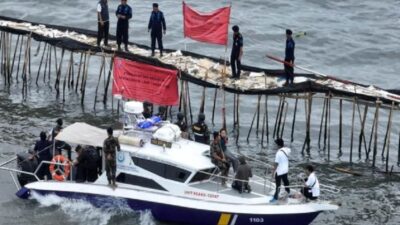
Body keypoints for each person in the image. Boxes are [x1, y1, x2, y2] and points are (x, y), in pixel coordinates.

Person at [270, 138, 291, 203]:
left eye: (276, 144)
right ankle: (288, 191)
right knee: (286, 182)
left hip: (279, 172)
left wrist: (273, 173)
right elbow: (288, 149)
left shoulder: (278, 153)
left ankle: (275, 198)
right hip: (285, 170)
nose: (275, 146)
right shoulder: (287, 150)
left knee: (278, 185)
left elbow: (276, 164)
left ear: (278, 145)